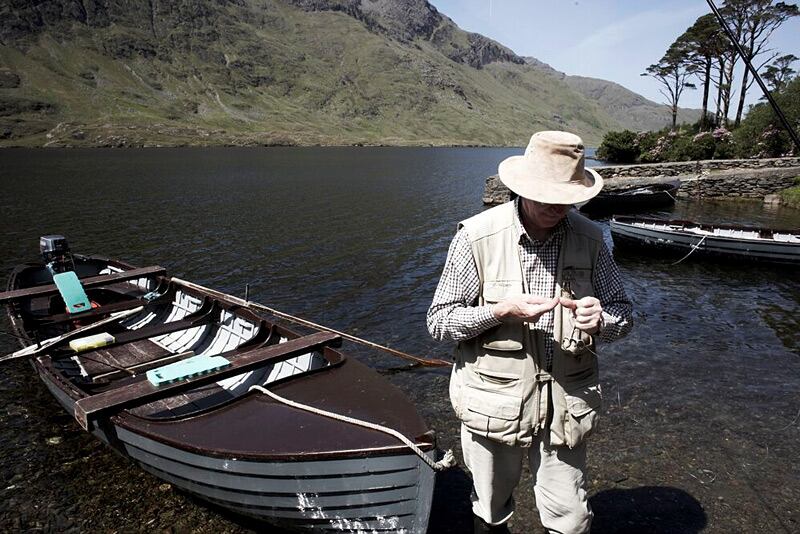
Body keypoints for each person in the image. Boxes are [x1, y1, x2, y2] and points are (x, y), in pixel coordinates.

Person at [427, 131, 633, 534]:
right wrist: (499, 311)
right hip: (494, 405)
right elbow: (439, 321)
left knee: (572, 521)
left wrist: (602, 321)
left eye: (567, 198)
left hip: (567, 406)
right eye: (547, 196)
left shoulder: (591, 238)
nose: (559, 207)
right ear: (521, 188)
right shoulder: (475, 237)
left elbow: (624, 313)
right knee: (490, 510)